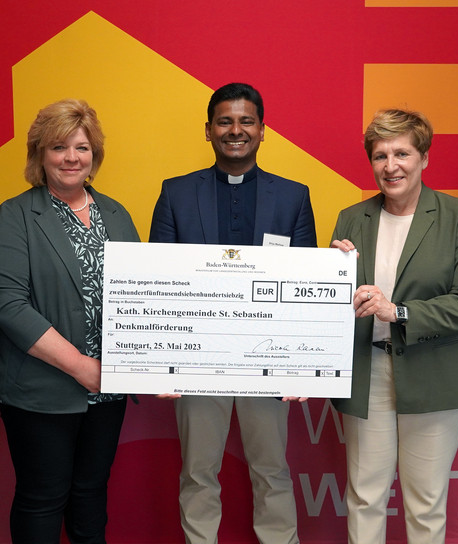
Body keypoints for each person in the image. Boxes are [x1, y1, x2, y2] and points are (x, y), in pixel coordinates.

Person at [149, 82, 316, 544]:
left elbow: (304, 287)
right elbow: (159, 281)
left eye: (246, 121)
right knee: (198, 472)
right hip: (197, 362)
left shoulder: (293, 196)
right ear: (208, 130)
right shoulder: (176, 193)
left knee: (273, 470)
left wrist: (299, 365)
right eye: (225, 121)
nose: (235, 130)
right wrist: (165, 362)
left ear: (263, 131)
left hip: (268, 362)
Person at [0, 99, 139, 543]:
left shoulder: (116, 215)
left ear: (95, 155)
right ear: (39, 155)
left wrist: (156, 362)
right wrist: (82, 368)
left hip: (109, 389)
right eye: (58, 147)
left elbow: (147, 297)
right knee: (42, 497)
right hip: (40, 389)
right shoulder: (15, 216)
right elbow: (8, 305)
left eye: (82, 147)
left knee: (91, 494)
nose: (71, 157)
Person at [330, 109, 458, 544]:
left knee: (425, 502)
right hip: (369, 373)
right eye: (380, 155)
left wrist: (398, 312)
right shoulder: (351, 218)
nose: (390, 166)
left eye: (402, 153)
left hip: (434, 372)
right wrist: (331, 274)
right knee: (364, 498)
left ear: (424, 159)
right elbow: (336, 306)